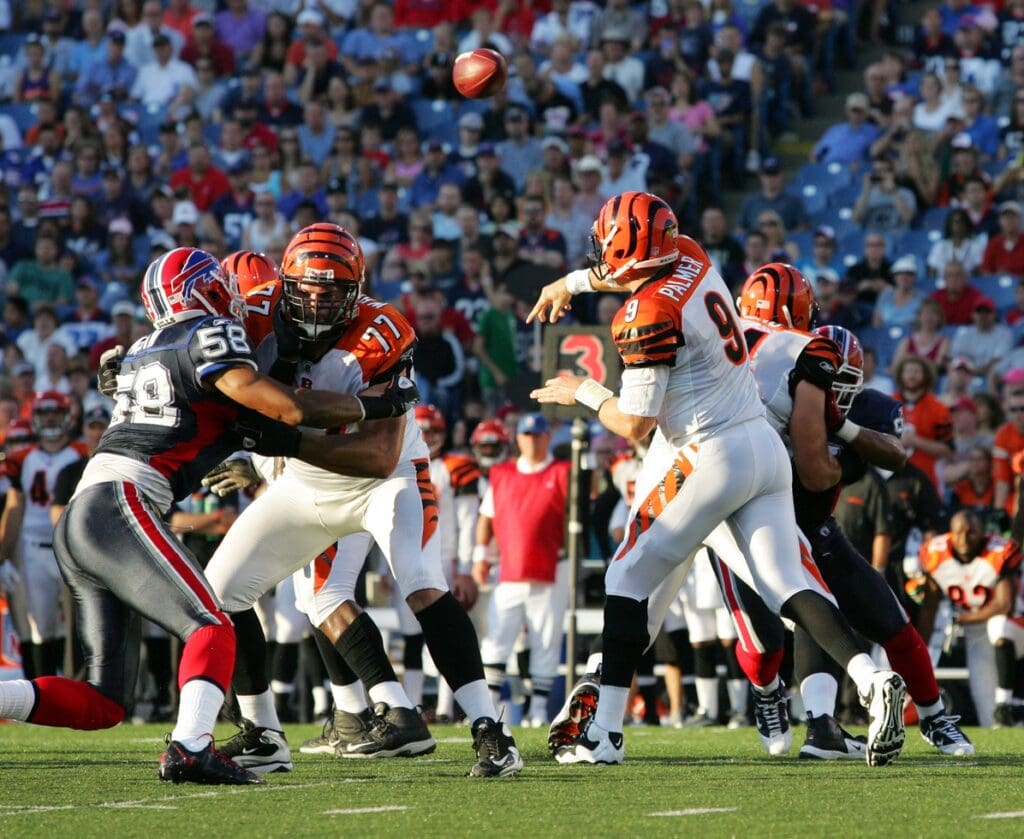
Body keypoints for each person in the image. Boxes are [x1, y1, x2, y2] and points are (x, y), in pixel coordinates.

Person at [0, 246, 416, 784]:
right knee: (212, 623)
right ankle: (190, 745)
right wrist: (380, 405)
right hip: (122, 501)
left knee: (105, 703)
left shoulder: (147, 349)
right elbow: (286, 408)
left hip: (87, 514)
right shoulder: (209, 333)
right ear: (204, 290)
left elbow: (209, 410)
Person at [529, 195, 906, 767]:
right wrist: (574, 282)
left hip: (707, 453)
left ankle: (604, 731)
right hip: (760, 445)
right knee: (786, 582)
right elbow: (629, 267)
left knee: (628, 574)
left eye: (607, 245)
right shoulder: (689, 252)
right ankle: (873, 680)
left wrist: (583, 391)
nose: (601, 254)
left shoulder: (645, 315)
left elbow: (634, 425)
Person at [201, 224, 524, 779]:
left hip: (387, 479)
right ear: (285, 282)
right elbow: (201, 360)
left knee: (422, 583)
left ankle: (490, 731)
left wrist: (281, 439)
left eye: (334, 290)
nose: (319, 300)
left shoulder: (382, 329)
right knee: (217, 594)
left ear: (356, 290)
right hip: (303, 481)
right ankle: (263, 732)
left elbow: (376, 455)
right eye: (308, 287)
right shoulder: (252, 311)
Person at [475, 413, 570, 728]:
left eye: (538, 435)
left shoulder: (562, 473)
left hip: (551, 567)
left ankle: (539, 708)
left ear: (547, 438)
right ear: (518, 439)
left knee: (546, 638)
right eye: (527, 435)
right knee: (498, 635)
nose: (532, 440)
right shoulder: (501, 475)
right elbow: (486, 517)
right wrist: (480, 556)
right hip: (511, 568)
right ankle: (488, 707)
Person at [0, 392, 86, 678]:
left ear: (66, 417)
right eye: (45, 412)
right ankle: (42, 690)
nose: (50, 417)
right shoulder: (22, 458)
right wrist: (3, 553)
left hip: (74, 547)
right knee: (40, 626)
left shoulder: (82, 454)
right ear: (35, 417)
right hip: (34, 547)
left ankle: (73, 684)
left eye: (56, 412)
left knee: (76, 624)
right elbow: (14, 507)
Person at [915, 511, 1022, 727]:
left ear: (982, 533)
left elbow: (1004, 605)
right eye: (959, 533)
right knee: (986, 706)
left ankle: (1006, 702)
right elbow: (930, 608)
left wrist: (963, 619)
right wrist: (918, 651)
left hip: (1014, 622)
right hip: (976, 628)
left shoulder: (999, 551)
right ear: (950, 534)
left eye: (971, 532)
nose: (964, 539)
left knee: (998, 625)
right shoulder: (936, 555)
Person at [893, 355, 954, 492]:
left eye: (916, 371)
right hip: (892, 478)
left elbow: (948, 450)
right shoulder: (887, 403)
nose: (912, 376)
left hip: (927, 480)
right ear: (900, 375)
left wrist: (915, 441)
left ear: (926, 375)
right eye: (908, 371)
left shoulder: (939, 409)